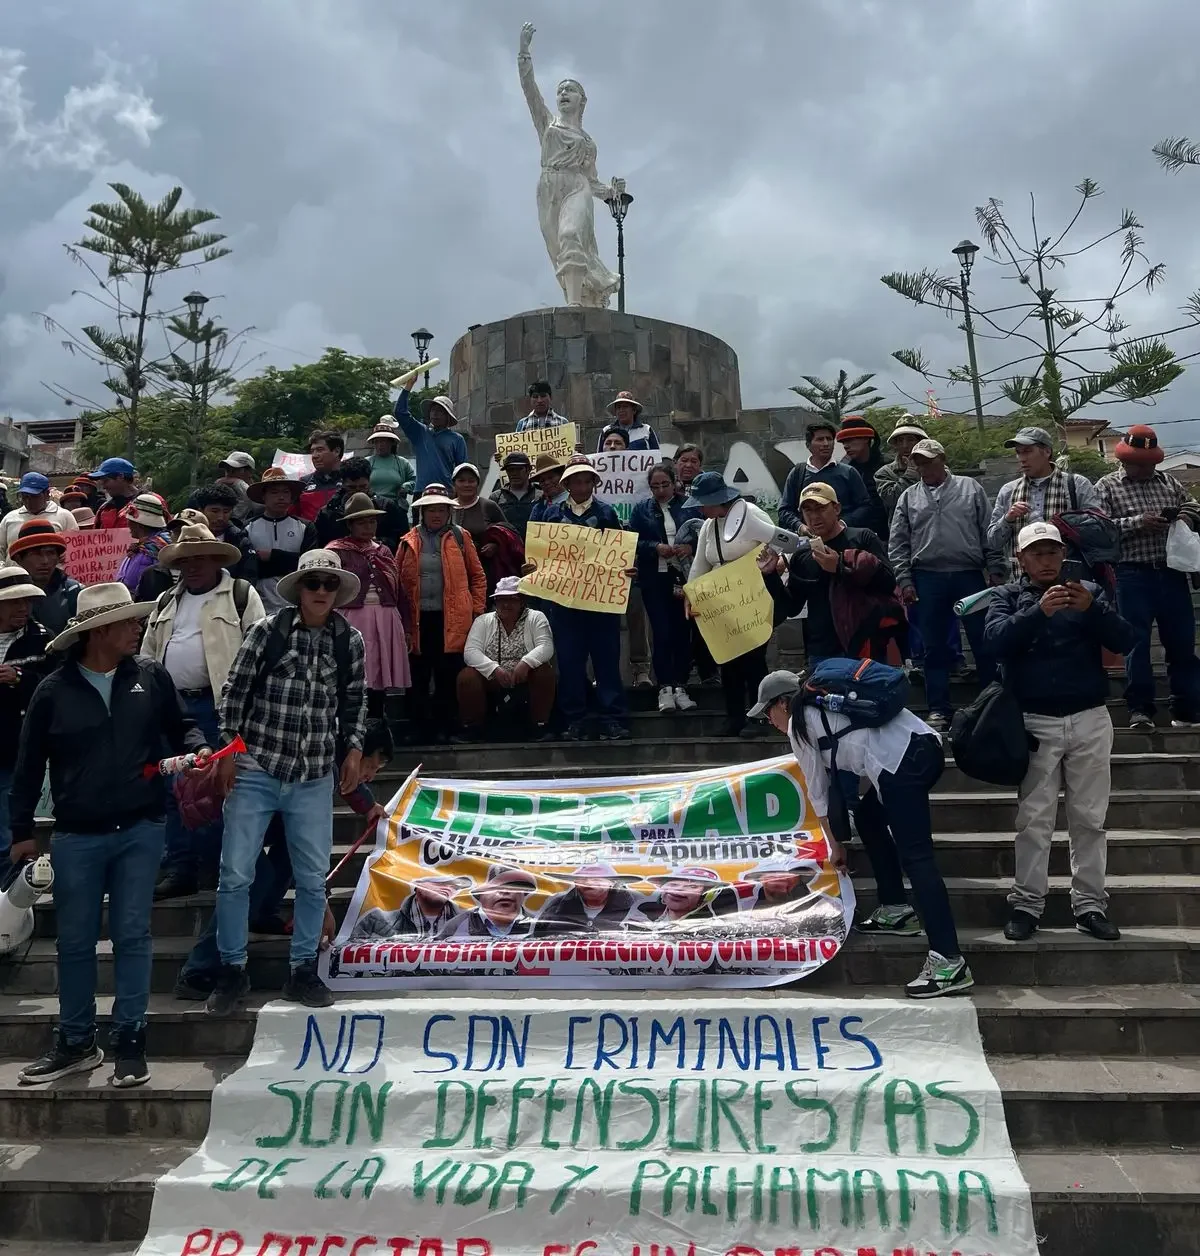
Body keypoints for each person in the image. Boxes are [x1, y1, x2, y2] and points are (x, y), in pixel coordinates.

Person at [10, 583, 211, 1085]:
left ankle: (130, 1039)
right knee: (75, 942)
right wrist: (21, 832)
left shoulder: (151, 675)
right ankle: (76, 1041)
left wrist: (198, 747)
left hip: (142, 827)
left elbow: (182, 724)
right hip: (76, 834)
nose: (138, 628)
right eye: (128, 622)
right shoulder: (52, 691)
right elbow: (28, 766)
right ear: (99, 632)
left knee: (132, 935)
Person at [208, 549, 368, 1015]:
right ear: (300, 588)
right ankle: (231, 968)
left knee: (313, 879)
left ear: (337, 591)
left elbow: (355, 700)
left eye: (329, 584)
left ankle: (302, 969)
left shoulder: (350, 640)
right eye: (313, 582)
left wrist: (354, 749)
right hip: (256, 766)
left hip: (314, 773)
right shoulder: (267, 631)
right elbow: (234, 693)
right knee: (235, 875)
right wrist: (227, 751)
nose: (321, 591)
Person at [750, 670, 973, 998]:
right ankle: (895, 908)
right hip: (923, 747)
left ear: (783, 703)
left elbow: (817, 791)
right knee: (869, 819)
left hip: (901, 763)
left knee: (917, 859)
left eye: (768, 713)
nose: (770, 722)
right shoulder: (824, 702)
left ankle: (949, 961)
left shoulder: (801, 722)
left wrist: (834, 845)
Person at [984, 521, 1136, 943]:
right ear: (1021, 558)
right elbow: (994, 643)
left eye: (1052, 552)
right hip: (1034, 721)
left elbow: (1126, 640)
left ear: (1063, 554)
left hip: (1089, 715)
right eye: (1036, 553)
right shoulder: (1006, 596)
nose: (1046, 560)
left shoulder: (1089, 593)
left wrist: (1093, 610)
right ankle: (1026, 904)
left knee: (1090, 818)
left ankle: (1090, 905)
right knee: (1033, 819)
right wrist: (1038, 612)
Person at [176, 722, 393, 995]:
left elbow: (350, 788)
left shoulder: (322, 763)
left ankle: (262, 912)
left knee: (292, 852)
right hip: (218, 816)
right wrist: (321, 901)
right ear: (354, 753)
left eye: (377, 770)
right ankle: (197, 970)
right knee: (250, 879)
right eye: (370, 766)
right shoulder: (311, 760)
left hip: (260, 819)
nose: (371, 775)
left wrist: (370, 807)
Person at [141, 523, 266, 901]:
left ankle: (215, 864)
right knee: (173, 789)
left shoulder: (240, 595)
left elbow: (261, 653)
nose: (192, 567)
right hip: (171, 708)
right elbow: (147, 654)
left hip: (220, 707)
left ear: (216, 560)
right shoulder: (166, 601)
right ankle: (181, 866)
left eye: (200, 559)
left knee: (215, 787)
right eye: (185, 561)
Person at [889, 438, 1001, 731]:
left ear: (942, 459)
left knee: (983, 640)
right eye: (918, 462)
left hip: (969, 573)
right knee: (933, 646)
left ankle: (992, 703)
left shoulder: (970, 488)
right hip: (927, 576)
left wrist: (996, 568)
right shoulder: (908, 497)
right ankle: (939, 708)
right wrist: (904, 579)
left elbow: (988, 530)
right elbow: (898, 542)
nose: (923, 467)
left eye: (928, 461)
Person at [1095, 424, 1200, 730]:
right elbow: (1099, 528)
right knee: (1135, 644)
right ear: (1124, 460)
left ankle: (1187, 708)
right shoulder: (1106, 487)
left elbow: (1193, 504)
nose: (1145, 469)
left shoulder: (1168, 481)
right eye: (1139, 464)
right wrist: (1137, 523)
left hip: (1171, 572)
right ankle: (1140, 709)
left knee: (1182, 643)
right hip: (1131, 574)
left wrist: (1185, 515)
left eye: (1149, 463)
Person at [518, 22, 620, 308]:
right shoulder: (547, 124)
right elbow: (530, 91)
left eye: (570, 90)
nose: (563, 93)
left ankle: (574, 306)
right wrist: (524, 52)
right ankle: (583, 298)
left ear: (582, 101)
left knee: (570, 235)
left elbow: (592, 181)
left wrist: (612, 192)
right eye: (560, 90)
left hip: (577, 186)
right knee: (558, 251)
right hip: (548, 188)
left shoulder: (588, 143)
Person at [761, 482, 903, 666]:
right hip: (822, 652)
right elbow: (791, 607)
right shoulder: (802, 555)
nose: (814, 517)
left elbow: (888, 583)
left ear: (837, 508)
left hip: (865, 646)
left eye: (820, 508)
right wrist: (770, 575)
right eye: (807, 510)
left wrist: (840, 566)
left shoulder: (863, 538)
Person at [541, 456, 631, 741]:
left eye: (586, 481)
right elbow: (542, 554)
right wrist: (534, 567)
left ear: (594, 483)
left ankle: (612, 717)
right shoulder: (551, 514)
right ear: (567, 484)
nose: (581, 486)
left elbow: (618, 552)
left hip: (601, 602)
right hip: (565, 604)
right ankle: (574, 719)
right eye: (576, 481)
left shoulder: (606, 513)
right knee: (569, 662)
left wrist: (625, 568)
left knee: (607, 660)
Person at [685, 471, 775, 737]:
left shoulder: (752, 513)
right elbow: (700, 563)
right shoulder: (708, 526)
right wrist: (691, 595)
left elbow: (777, 544)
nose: (701, 509)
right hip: (723, 602)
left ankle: (761, 718)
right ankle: (734, 716)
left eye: (704, 503)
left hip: (753, 597)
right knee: (728, 659)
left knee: (754, 659)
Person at [397, 484, 487, 743]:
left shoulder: (461, 536)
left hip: (452, 618)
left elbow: (478, 576)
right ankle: (418, 730)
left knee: (448, 674)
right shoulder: (408, 540)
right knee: (418, 674)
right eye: (431, 510)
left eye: (441, 509)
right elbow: (397, 580)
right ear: (422, 512)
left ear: (449, 512)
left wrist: (476, 610)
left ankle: (447, 728)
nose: (436, 514)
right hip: (418, 619)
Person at [327, 493, 411, 710]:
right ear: (350, 525)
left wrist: (407, 625)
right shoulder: (336, 551)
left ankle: (376, 718)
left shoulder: (384, 550)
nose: (368, 527)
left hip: (386, 615)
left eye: (372, 521)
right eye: (361, 522)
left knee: (380, 669)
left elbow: (399, 589)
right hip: (354, 615)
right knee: (357, 667)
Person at [628, 461, 696, 713]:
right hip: (655, 579)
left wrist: (690, 547)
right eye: (654, 486)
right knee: (661, 632)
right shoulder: (641, 510)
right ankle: (665, 686)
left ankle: (681, 686)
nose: (660, 491)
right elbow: (633, 540)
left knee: (683, 633)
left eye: (664, 485)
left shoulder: (689, 506)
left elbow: (704, 534)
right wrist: (655, 548)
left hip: (684, 576)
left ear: (674, 482)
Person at [988, 426, 1099, 579]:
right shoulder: (1009, 491)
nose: (1022, 458)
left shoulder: (1075, 485)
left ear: (1047, 452)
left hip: (1068, 581)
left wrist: (1066, 523)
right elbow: (993, 542)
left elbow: (1097, 529)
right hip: (1023, 582)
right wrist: (1008, 519)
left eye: (1027, 451)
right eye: (1018, 452)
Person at [0, 567, 54, 878]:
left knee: (7, 828)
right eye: (14, 602)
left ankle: (7, 889)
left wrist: (20, 678)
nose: (22, 608)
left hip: (15, 747)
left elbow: (54, 685)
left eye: (27, 601)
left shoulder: (42, 639)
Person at [458, 576, 555, 740]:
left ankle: (540, 726)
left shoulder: (536, 617)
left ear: (522, 601)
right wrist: (494, 669)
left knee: (544, 672)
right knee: (467, 677)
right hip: (493, 678)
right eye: (501, 599)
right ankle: (473, 728)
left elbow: (546, 646)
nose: (506, 604)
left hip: (525, 676)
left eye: (512, 599)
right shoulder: (483, 621)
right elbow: (470, 652)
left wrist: (526, 663)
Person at [244, 469, 317, 611]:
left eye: (286, 492)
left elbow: (309, 563)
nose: (281, 497)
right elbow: (248, 566)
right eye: (274, 492)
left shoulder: (305, 527)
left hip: (296, 602)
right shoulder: (248, 527)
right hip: (258, 604)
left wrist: (272, 556)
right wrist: (289, 561)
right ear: (263, 496)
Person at [779, 420, 871, 532]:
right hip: (809, 538)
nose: (826, 443)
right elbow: (784, 510)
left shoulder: (848, 472)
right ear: (808, 445)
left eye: (829, 439)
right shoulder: (798, 474)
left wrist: (843, 523)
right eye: (820, 439)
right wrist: (800, 526)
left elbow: (865, 506)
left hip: (844, 537)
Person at [315, 457, 407, 552]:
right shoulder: (329, 512)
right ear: (343, 484)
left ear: (369, 482)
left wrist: (378, 542)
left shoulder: (386, 507)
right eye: (352, 488)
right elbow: (320, 546)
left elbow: (401, 541)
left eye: (363, 487)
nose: (358, 491)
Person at [9, 520, 81, 637]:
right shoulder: (7, 596)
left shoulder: (74, 591)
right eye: (35, 554)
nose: (45, 561)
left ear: (58, 557)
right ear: (19, 559)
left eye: (50, 553)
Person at [350, 872, 471, 941]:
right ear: (417, 885)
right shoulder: (376, 920)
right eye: (440, 883)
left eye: (455, 887)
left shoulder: (471, 922)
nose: (448, 888)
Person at [393, 389, 468, 494]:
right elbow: (400, 412)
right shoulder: (420, 432)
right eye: (433, 410)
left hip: (446, 491)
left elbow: (462, 470)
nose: (435, 414)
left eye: (440, 411)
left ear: (448, 416)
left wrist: (458, 493)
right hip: (422, 491)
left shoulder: (457, 439)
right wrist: (407, 388)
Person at [438, 864, 538, 938]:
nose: (505, 892)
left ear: (523, 894)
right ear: (481, 896)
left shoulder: (537, 925)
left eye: (513, 887)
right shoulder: (456, 926)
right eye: (495, 888)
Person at [535, 863, 640, 933]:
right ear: (575, 882)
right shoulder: (557, 905)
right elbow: (537, 936)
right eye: (583, 878)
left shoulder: (635, 905)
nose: (588, 883)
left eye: (596, 878)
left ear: (611, 882)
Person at [188, 483, 258, 583]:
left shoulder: (240, 541)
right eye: (215, 511)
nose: (221, 517)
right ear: (201, 511)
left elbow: (249, 576)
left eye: (226, 511)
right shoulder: (188, 538)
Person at [0, 472, 80, 558]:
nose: (29, 501)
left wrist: (67, 554)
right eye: (25, 496)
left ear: (47, 494)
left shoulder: (65, 516)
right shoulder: (9, 518)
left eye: (34, 496)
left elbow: (76, 548)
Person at [835, 415, 889, 539]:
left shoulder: (888, 466)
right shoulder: (845, 472)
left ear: (866, 438)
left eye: (850, 440)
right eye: (844, 442)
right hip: (858, 537)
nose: (846, 446)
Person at [116, 493, 173, 594]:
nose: (127, 524)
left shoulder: (160, 549)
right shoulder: (142, 547)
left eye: (129, 520)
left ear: (139, 524)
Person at [874, 418, 928, 521]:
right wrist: (910, 475)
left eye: (910, 440)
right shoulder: (885, 473)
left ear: (920, 442)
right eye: (900, 440)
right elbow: (891, 500)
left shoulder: (936, 468)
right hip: (903, 528)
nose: (905, 445)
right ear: (895, 444)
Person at [365, 421, 416, 515]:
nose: (380, 445)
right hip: (372, 507)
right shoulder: (367, 462)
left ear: (391, 442)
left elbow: (414, 480)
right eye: (377, 441)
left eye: (383, 441)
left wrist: (406, 487)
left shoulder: (402, 462)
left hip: (395, 507)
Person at [490, 451, 542, 543]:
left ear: (529, 469)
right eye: (510, 470)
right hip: (506, 549)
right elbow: (490, 526)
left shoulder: (542, 495)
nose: (514, 473)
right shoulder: (496, 497)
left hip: (535, 548)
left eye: (519, 469)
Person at [298, 430, 346, 522]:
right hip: (311, 531)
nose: (314, 456)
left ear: (336, 451)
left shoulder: (350, 480)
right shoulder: (303, 482)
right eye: (312, 451)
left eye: (320, 450)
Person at [89, 457, 139, 529]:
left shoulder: (148, 503)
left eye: (106, 481)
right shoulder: (105, 509)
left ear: (121, 477)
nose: (104, 487)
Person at [215, 451, 258, 523]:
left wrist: (239, 484)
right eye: (227, 469)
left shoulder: (257, 492)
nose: (229, 473)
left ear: (249, 472)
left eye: (234, 470)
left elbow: (255, 505)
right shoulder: (221, 488)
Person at [528, 453, 568, 524]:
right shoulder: (538, 508)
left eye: (550, 477)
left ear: (561, 476)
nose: (546, 482)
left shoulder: (576, 499)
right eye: (542, 480)